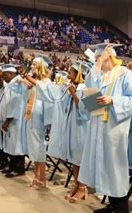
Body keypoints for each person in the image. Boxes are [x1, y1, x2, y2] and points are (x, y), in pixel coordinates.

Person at [78, 43, 132, 213]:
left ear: (109, 58)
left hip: (115, 127)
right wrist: (97, 66)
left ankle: (122, 208)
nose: (98, 63)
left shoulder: (125, 74)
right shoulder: (102, 76)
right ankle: (112, 202)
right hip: (99, 124)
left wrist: (112, 99)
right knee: (104, 163)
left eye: (100, 60)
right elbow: (90, 88)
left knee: (115, 165)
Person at [34, 60, 91, 202]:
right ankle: (77, 185)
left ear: (79, 74)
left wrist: (74, 95)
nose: (68, 73)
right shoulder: (71, 86)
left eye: (71, 72)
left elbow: (88, 111)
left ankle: (83, 188)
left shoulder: (87, 87)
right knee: (73, 158)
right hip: (72, 127)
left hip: (82, 129)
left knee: (80, 158)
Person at [18, 54, 53, 187]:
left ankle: (42, 178)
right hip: (31, 118)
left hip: (41, 120)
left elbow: (41, 88)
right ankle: (36, 176)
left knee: (40, 148)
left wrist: (27, 76)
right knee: (34, 148)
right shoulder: (34, 83)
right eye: (31, 64)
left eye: (34, 64)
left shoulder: (46, 82)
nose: (32, 66)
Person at [0, 64, 27, 177]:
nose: (3, 77)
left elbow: (14, 104)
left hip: (14, 120)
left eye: (5, 75)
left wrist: (7, 120)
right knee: (10, 145)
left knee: (16, 144)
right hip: (9, 120)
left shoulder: (17, 85)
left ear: (11, 74)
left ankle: (19, 168)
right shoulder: (11, 84)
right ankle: (12, 166)